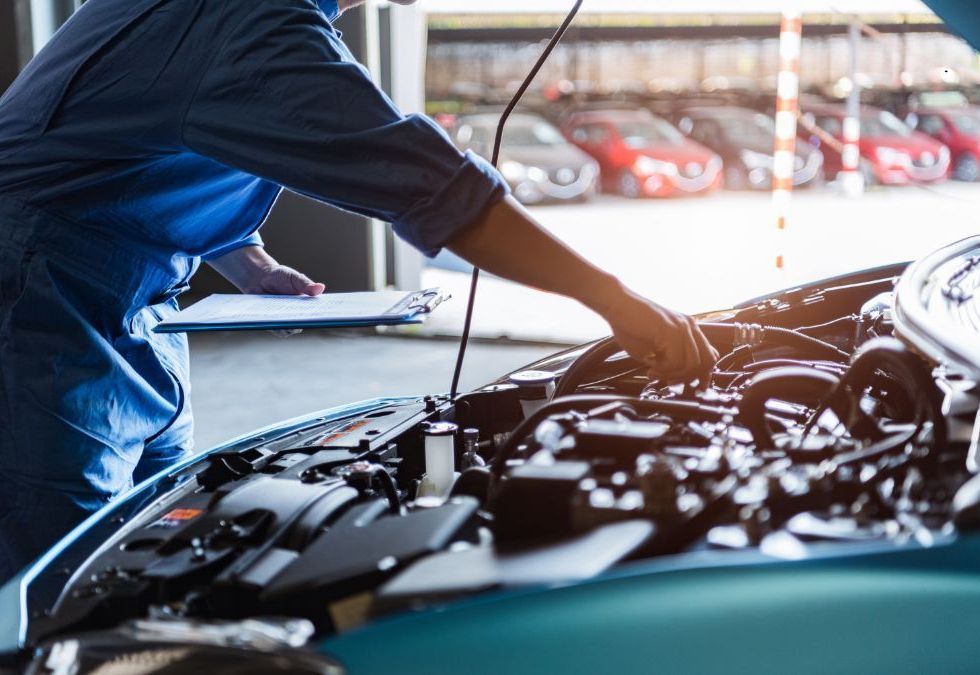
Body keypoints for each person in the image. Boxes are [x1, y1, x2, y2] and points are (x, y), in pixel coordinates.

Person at [0, 0, 716, 581]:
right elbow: (438, 189)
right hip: (42, 296)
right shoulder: (252, 24)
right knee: (61, 574)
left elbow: (127, 136)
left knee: (155, 540)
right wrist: (617, 301)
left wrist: (241, 255)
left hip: (127, 298)